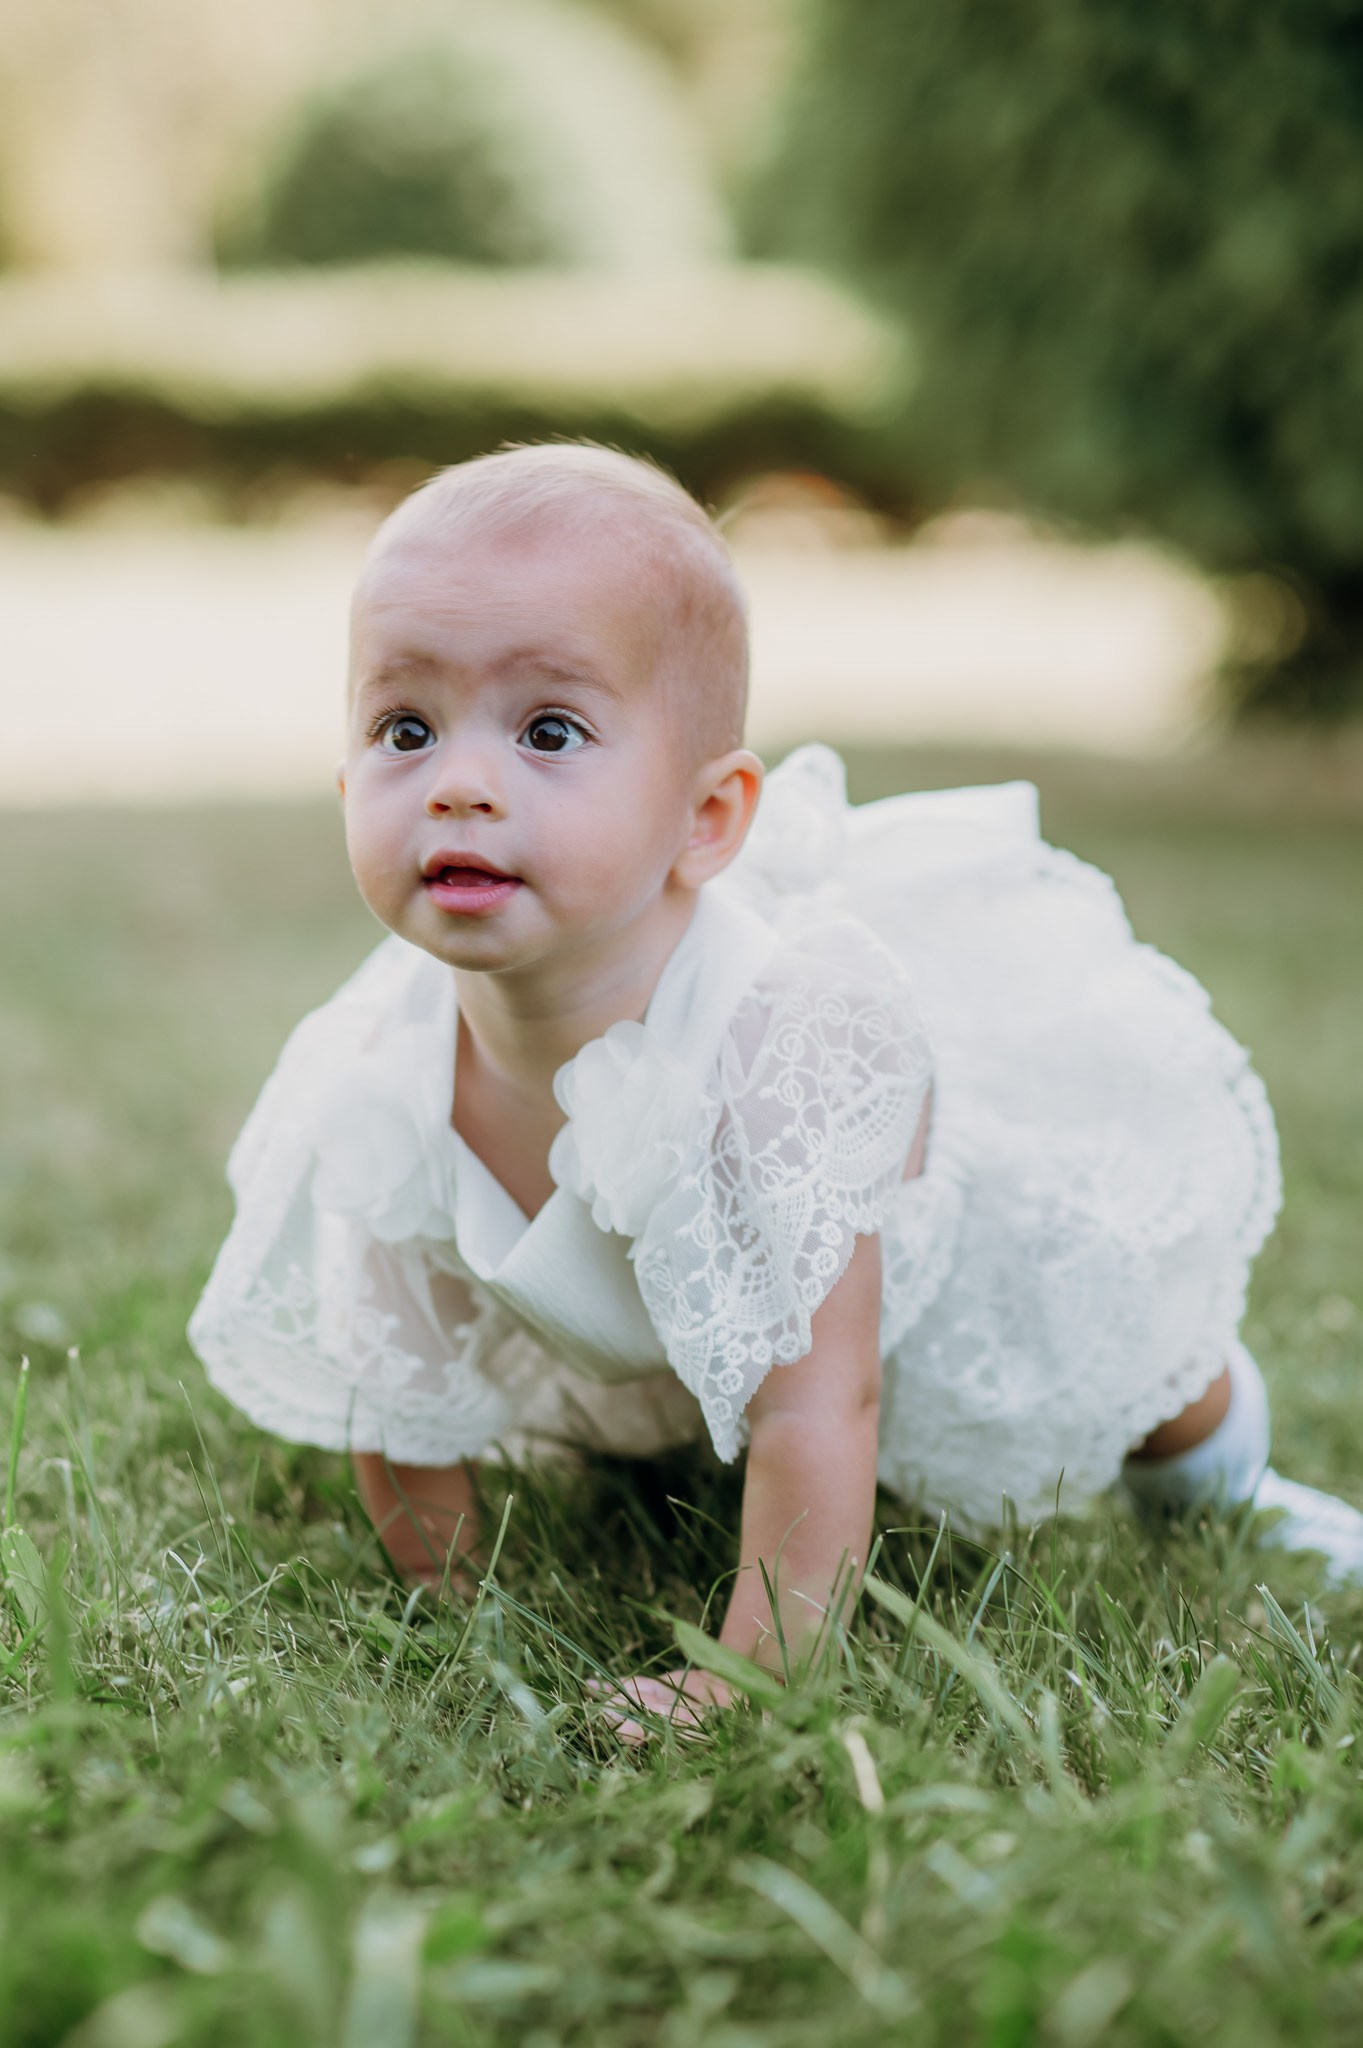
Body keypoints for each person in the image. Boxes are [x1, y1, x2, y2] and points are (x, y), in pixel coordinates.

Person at [189, 442, 1363, 1739]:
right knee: (707, 1368)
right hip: (679, 1289)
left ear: (708, 820)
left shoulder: (776, 1044)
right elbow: (393, 1381)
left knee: (1137, 1371)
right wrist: (465, 1614)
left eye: (550, 730)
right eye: (405, 728)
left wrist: (750, 1674)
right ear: (348, 782)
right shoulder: (379, 1065)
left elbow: (819, 1394)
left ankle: (1227, 1476)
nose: (461, 781)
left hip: (917, 1254)